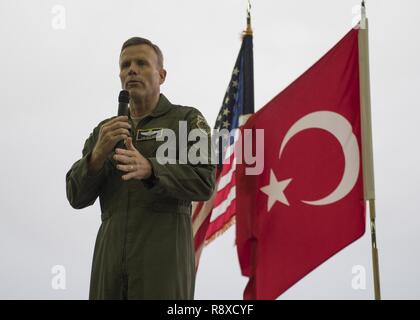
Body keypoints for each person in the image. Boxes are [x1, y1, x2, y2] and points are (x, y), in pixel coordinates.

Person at [66, 37, 216, 300]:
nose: (131, 70)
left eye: (141, 63)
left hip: (163, 265)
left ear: (162, 75)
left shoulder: (186, 120)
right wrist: (97, 154)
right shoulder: (105, 132)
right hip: (109, 265)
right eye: (125, 66)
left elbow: (205, 181)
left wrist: (152, 169)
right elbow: (76, 196)